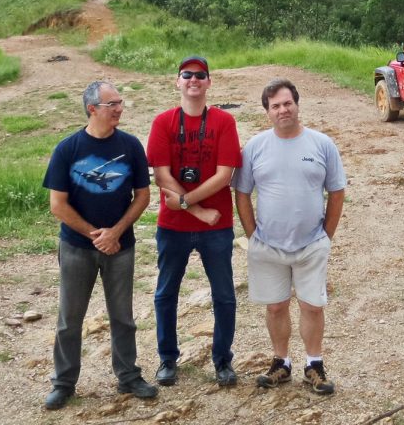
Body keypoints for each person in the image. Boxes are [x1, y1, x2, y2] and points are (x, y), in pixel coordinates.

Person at [42, 81, 157, 410]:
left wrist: (116, 232)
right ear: (92, 109)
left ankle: (128, 376)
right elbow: (57, 205)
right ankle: (63, 383)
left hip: (121, 246)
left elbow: (143, 196)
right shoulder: (67, 149)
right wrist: (97, 235)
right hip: (76, 247)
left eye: (120, 102)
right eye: (112, 104)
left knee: (123, 316)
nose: (120, 109)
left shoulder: (131, 145)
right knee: (70, 318)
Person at [232, 78, 346, 395]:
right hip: (268, 245)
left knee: (312, 306)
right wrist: (253, 235)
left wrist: (326, 236)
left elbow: (337, 191)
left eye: (287, 103)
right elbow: (242, 193)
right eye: (275, 106)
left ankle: (314, 365)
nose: (282, 110)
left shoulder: (322, 144)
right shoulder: (255, 147)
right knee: (275, 307)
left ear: (297, 104)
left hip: (311, 243)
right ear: (267, 111)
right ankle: (281, 363)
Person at [146, 56, 242, 387]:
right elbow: (161, 175)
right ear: (177, 81)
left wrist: (185, 201)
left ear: (209, 82)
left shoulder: (224, 121)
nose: (193, 80)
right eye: (187, 74)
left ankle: (223, 360)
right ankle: (167, 359)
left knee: (224, 295)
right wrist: (197, 210)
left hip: (217, 227)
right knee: (165, 294)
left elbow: (225, 175)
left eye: (200, 75)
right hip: (174, 226)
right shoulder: (163, 122)